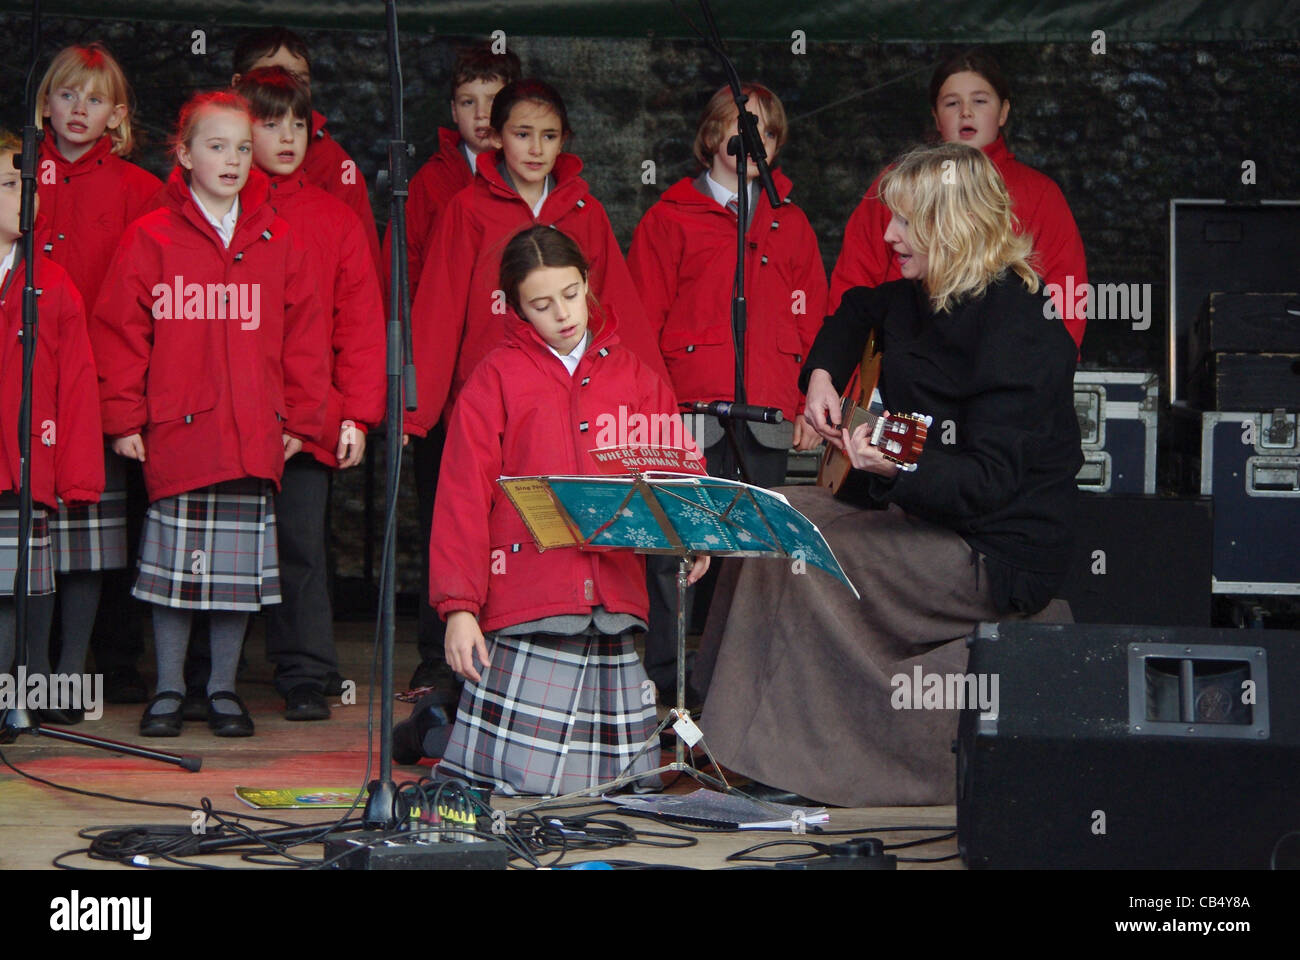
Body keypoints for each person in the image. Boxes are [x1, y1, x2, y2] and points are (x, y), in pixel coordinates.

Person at [696, 143, 1081, 807]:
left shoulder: (1024, 331)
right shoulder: (920, 297)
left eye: (905, 221)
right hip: (922, 512)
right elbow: (856, 311)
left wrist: (898, 466)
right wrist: (820, 374)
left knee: (801, 552)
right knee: (767, 516)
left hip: (993, 553)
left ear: (951, 224)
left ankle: (761, 761)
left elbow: (986, 484)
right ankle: (720, 738)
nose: (890, 235)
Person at [405, 78, 667, 701]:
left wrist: (659, 403)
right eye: (522, 134)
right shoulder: (467, 208)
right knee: (468, 519)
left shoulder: (586, 210)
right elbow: (439, 307)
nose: (535, 147)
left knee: (580, 531)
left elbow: (622, 311)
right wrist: (420, 409)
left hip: (582, 396)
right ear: (496, 138)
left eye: (549, 136)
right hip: (489, 397)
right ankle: (445, 665)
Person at [429, 225, 706, 794]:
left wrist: (691, 531)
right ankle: (431, 728)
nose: (563, 313)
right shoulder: (494, 378)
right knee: (523, 782)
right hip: (529, 596)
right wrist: (459, 607)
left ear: (588, 284)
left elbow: (677, 465)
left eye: (572, 293)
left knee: (630, 784)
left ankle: (435, 724)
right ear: (516, 309)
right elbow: (461, 495)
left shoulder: (636, 377)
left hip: (612, 600)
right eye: (541, 303)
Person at [91, 90, 328, 738]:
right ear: (184, 153)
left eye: (242, 149)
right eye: (216, 146)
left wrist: (301, 421)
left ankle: (221, 690)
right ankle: (169, 690)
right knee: (172, 576)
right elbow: (120, 332)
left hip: (253, 432)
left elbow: (304, 338)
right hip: (179, 431)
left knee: (235, 580)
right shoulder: (151, 237)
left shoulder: (279, 239)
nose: (232, 159)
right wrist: (124, 418)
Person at [627, 81, 827, 699]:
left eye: (765, 131)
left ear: (777, 145)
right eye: (739, 127)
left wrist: (801, 402)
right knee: (675, 546)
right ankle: (666, 679)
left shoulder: (791, 223)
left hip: (766, 407)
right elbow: (640, 324)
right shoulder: (668, 219)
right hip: (687, 408)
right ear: (712, 134)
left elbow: (814, 318)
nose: (751, 140)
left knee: (753, 550)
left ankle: (737, 687)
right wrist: (655, 410)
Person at [235, 67, 385, 721]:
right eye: (270, 123)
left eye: (298, 123)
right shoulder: (215, 212)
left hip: (308, 414)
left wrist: (357, 413)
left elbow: (359, 322)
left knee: (300, 544)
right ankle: (205, 677)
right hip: (227, 417)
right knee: (220, 543)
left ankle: (306, 671)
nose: (288, 136)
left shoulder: (333, 216)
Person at [384, 43, 520, 696]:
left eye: (494, 102)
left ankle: (512, 641)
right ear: (452, 111)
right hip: (444, 378)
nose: (481, 115)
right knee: (443, 513)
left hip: (513, 379)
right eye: (468, 102)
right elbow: (406, 276)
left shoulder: (534, 181)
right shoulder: (431, 180)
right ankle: (435, 656)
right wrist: (418, 382)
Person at [34, 43, 162, 709]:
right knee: (33, 523)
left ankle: (113, 659)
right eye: (66, 95)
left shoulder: (143, 191)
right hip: (28, 380)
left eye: (94, 98)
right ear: (44, 104)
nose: (78, 110)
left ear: (116, 114)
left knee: (106, 526)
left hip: (107, 381)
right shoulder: (18, 174)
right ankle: (33, 664)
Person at [829, 49, 1088, 351]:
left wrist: (1047, 370)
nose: (966, 111)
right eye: (952, 103)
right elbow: (854, 281)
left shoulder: (1040, 193)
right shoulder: (895, 184)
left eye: (980, 101)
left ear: (1003, 111)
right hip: (898, 368)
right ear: (936, 117)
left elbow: (1066, 295)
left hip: (1003, 371)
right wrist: (842, 364)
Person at [0, 129, 104, 694]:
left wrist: (79, 476)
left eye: (30, 183)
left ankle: (24, 696)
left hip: (27, 474)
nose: (29, 195)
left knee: (27, 593)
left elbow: (77, 389)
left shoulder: (53, 284)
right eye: (13, 184)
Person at [231, 27, 383, 281]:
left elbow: (362, 272)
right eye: (271, 77)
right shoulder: (209, 156)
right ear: (237, 85)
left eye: (299, 80)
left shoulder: (336, 163)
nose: (287, 87)